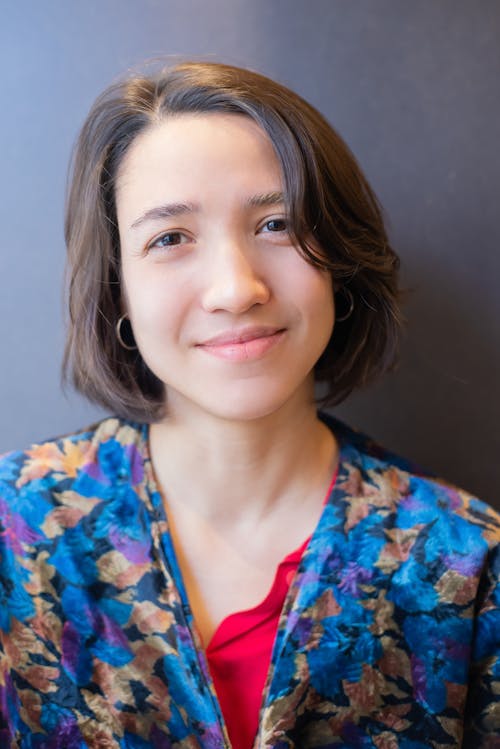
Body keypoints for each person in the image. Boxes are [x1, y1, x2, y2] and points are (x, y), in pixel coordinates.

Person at [0, 61, 498, 749]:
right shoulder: (14, 537)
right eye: (170, 238)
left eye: (277, 223)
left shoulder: (467, 565)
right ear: (118, 288)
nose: (236, 288)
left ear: (339, 260)